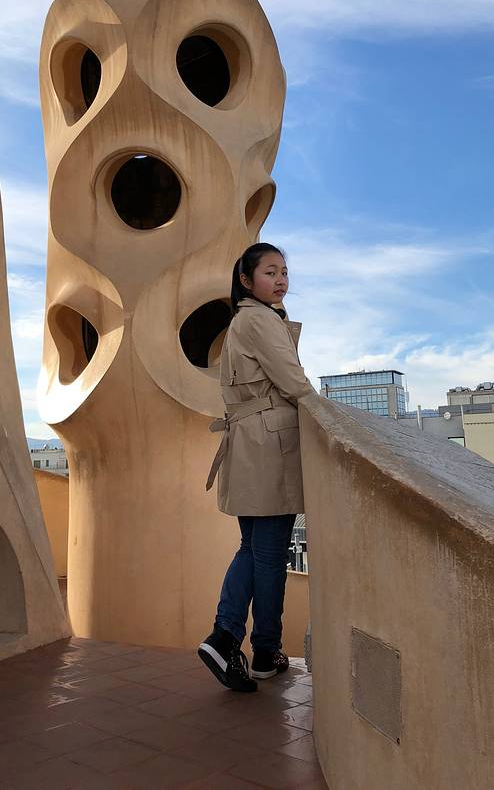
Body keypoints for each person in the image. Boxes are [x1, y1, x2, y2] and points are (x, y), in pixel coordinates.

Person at [199, 242, 315, 692]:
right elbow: (294, 384)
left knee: (254, 549)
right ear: (246, 280)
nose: (281, 279)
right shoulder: (261, 320)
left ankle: (258, 647)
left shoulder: (243, 320)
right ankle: (231, 637)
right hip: (270, 447)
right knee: (266, 556)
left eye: (284, 271)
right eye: (270, 272)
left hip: (251, 444)